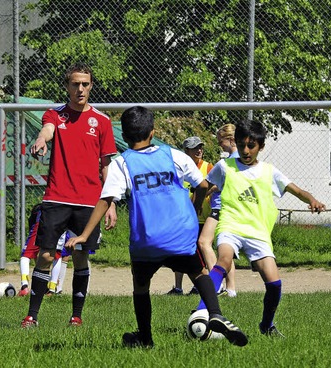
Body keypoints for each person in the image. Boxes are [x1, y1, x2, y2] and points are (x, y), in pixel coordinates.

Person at [66, 106, 248, 348]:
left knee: (140, 285)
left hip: (147, 239)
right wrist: (192, 212)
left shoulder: (122, 163)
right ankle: (215, 313)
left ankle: (145, 337)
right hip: (180, 233)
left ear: (126, 136)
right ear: (152, 132)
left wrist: (84, 235)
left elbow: (105, 199)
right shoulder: (173, 155)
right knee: (199, 273)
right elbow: (202, 185)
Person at [195, 119, 326, 338]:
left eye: (251, 146)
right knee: (224, 260)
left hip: (257, 231)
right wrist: (197, 204)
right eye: (242, 144)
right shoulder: (225, 166)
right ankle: (202, 312)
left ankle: (267, 325)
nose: (246, 150)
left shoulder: (269, 172)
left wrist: (311, 199)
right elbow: (205, 185)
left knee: (274, 283)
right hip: (231, 224)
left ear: (261, 147)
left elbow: (296, 190)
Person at [21, 62, 118, 328]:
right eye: (75, 84)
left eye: (85, 84)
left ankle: (76, 315)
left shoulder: (102, 121)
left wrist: (110, 203)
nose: (80, 89)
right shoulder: (55, 115)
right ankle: (32, 316)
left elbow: (106, 165)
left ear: (91, 86)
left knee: (79, 256)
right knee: (45, 255)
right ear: (67, 86)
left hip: (89, 201)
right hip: (56, 197)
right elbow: (47, 130)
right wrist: (42, 140)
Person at [197, 124, 239, 297]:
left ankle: (217, 284)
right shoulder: (243, 160)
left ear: (230, 140)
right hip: (232, 209)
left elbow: (205, 184)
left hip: (220, 207)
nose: (220, 145)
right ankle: (231, 289)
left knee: (203, 242)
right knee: (225, 250)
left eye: (221, 141)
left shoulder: (225, 163)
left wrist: (200, 198)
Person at [168, 136, 213, 296]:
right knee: (179, 251)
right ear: (186, 151)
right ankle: (178, 287)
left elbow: (216, 186)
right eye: (195, 148)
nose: (199, 150)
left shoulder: (208, 167)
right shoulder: (178, 167)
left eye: (200, 147)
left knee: (200, 252)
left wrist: (203, 197)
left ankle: (198, 285)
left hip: (201, 217)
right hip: (181, 217)